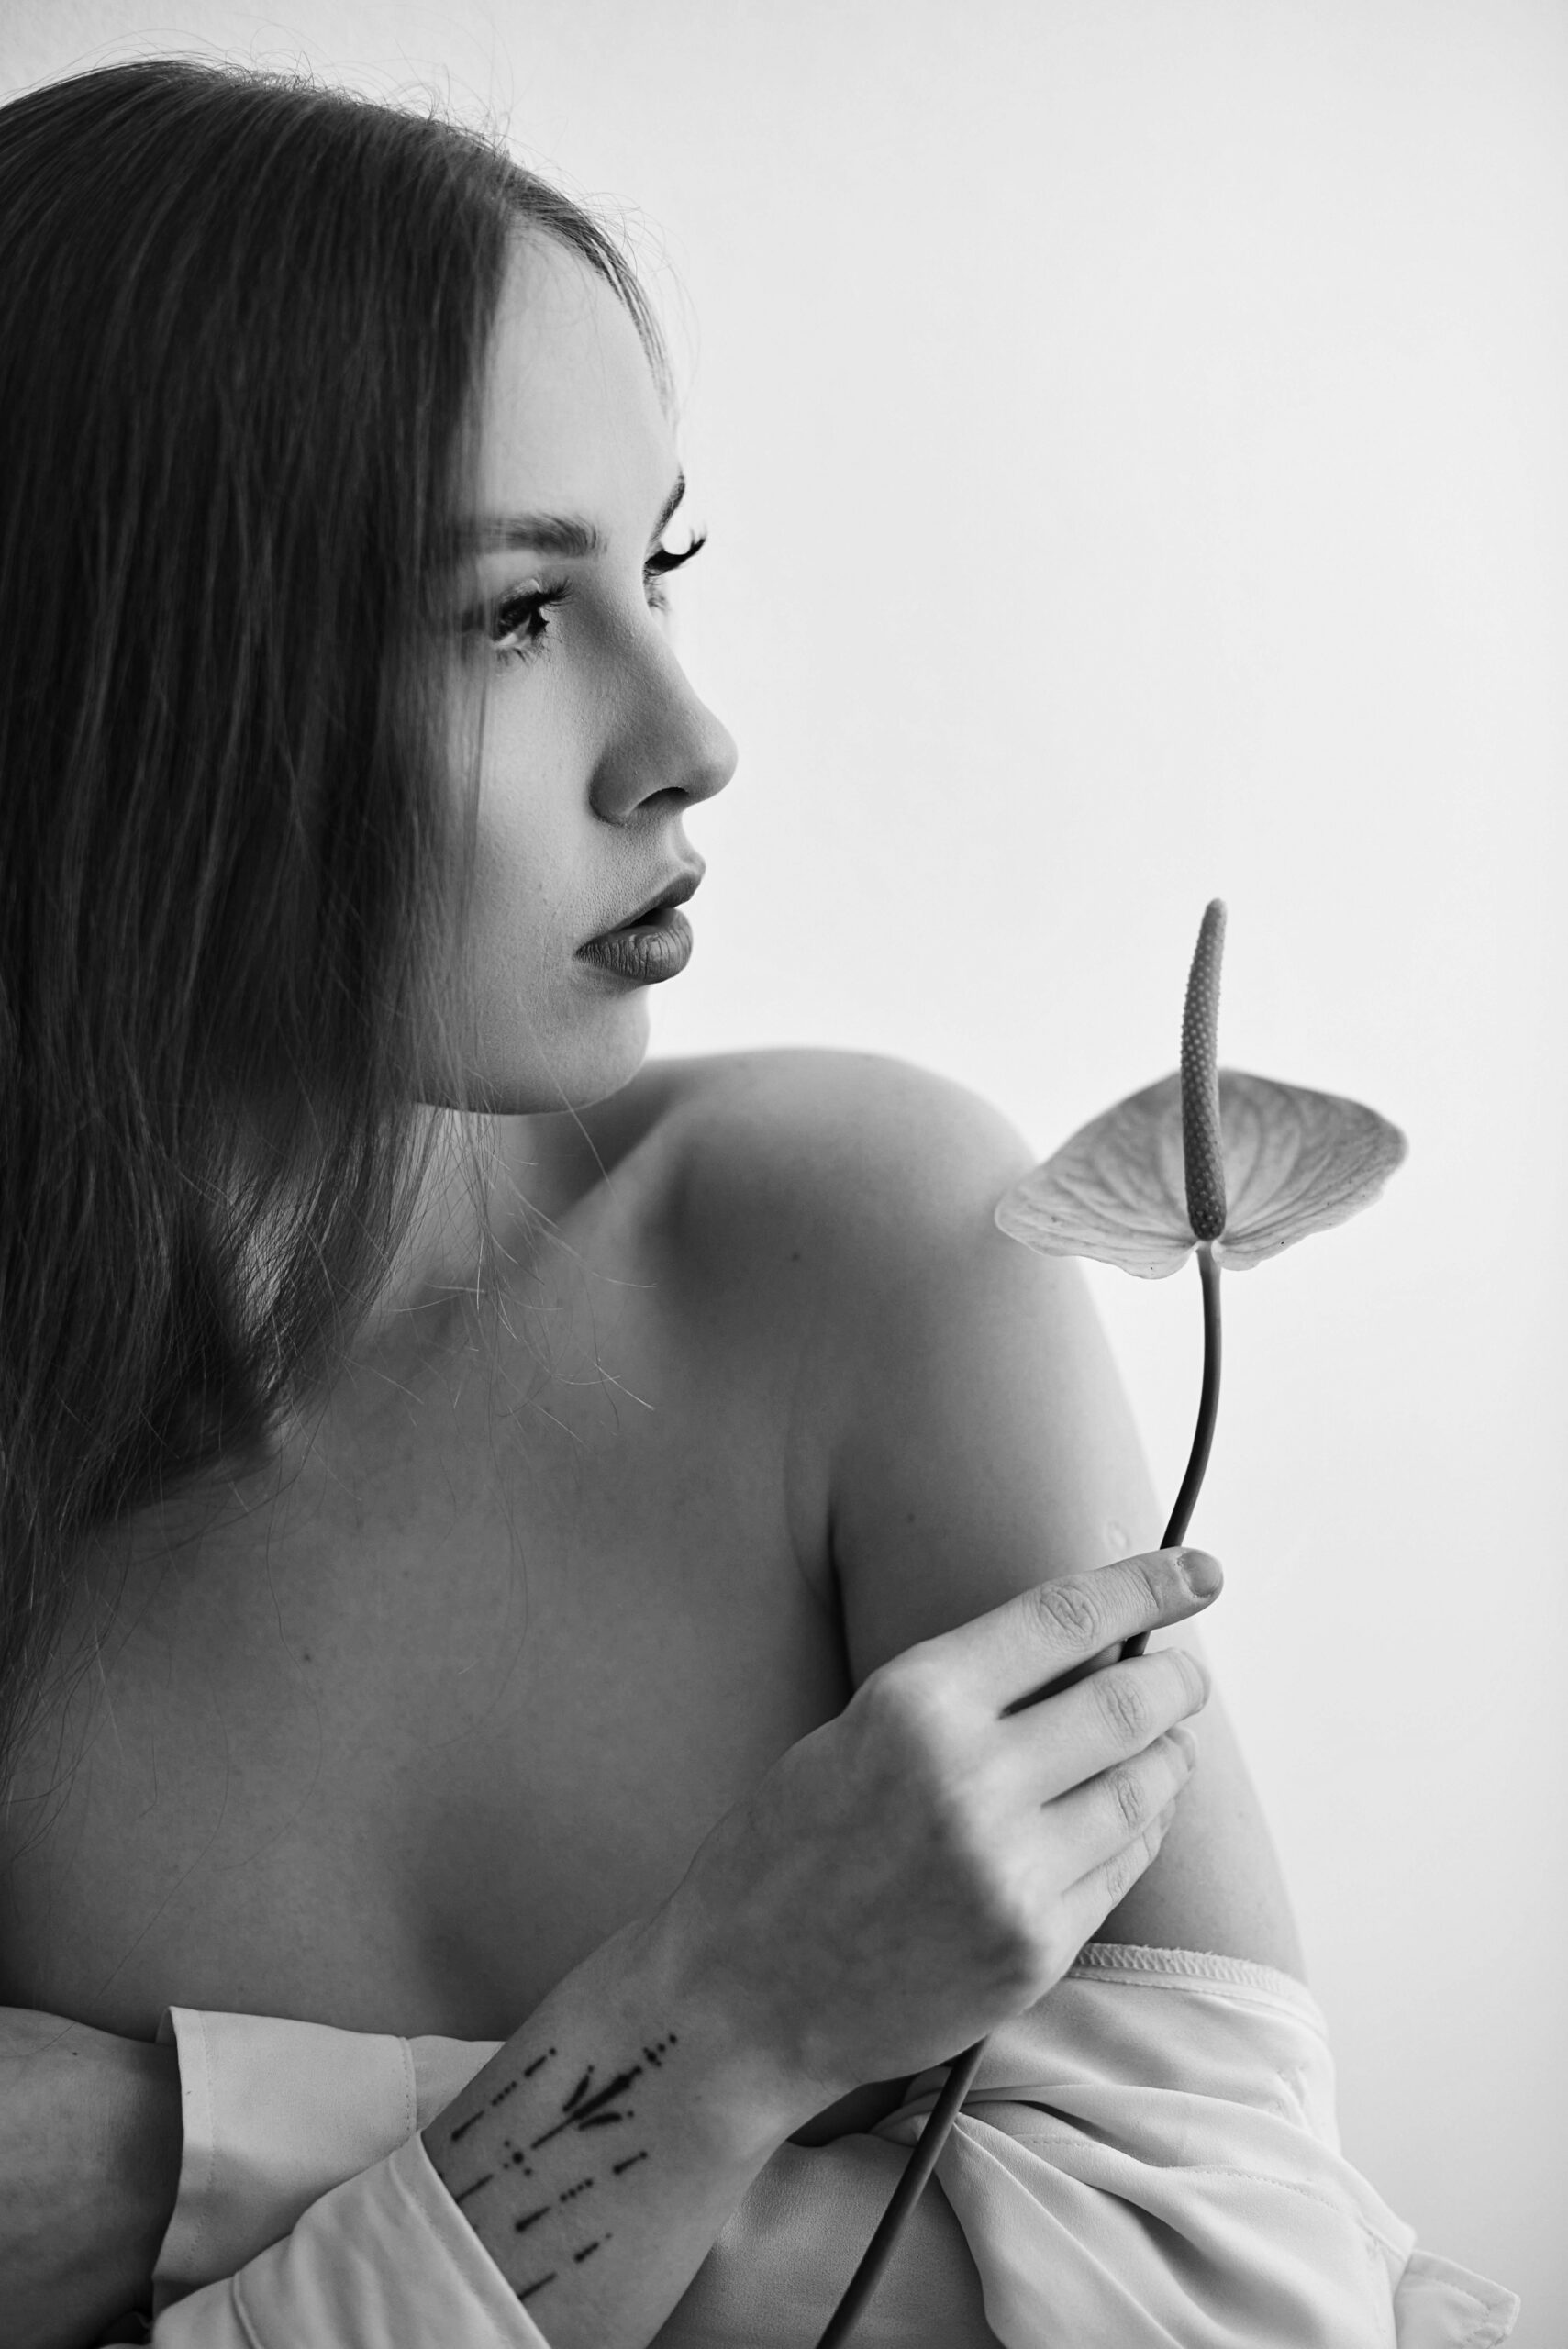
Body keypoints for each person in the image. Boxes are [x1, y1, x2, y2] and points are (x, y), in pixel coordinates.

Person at [0, 56, 1518, 2349]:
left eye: (661, 568)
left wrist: (183, 2151)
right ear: (119, 685)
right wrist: (727, 2050)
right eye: (515, 614)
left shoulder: (855, 1252)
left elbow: (1241, 2292)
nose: (690, 737)